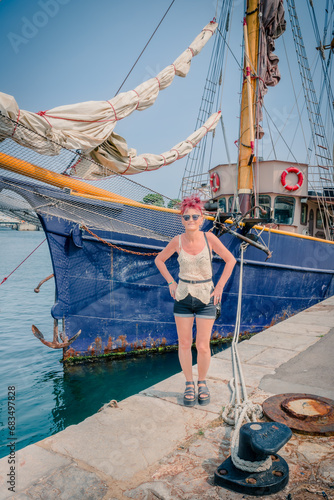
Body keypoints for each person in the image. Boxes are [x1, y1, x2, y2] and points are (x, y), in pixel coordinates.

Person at [155, 195, 236, 406]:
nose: (190, 220)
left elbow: (230, 260)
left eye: (195, 216)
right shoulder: (177, 241)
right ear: (182, 219)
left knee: (202, 345)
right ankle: (188, 383)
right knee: (183, 343)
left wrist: (219, 287)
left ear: (202, 219)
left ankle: (202, 382)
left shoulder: (210, 239)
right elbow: (159, 260)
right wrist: (171, 282)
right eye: (186, 217)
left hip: (206, 297)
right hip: (182, 296)